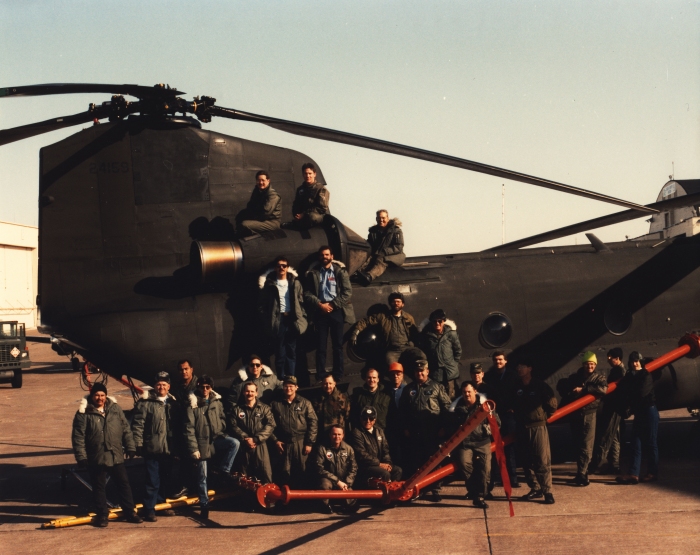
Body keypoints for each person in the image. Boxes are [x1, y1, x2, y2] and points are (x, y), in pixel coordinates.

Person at [71, 383, 143, 527]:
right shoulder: (83, 413)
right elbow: (78, 437)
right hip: (96, 456)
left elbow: (125, 429)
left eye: (102, 395)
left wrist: (130, 446)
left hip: (115, 454)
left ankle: (130, 512)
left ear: (106, 396)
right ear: (92, 396)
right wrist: (81, 457)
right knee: (99, 487)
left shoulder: (115, 409)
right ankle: (103, 515)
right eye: (97, 395)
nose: (100, 398)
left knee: (124, 485)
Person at [184, 375, 240, 519]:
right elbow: (189, 429)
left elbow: (222, 419)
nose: (205, 389)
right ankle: (204, 505)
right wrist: (194, 449)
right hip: (201, 443)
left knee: (234, 443)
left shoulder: (216, 402)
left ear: (211, 388)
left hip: (216, 439)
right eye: (202, 387)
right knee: (202, 476)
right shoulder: (193, 405)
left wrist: (219, 428)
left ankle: (224, 470)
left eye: (207, 387)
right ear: (198, 387)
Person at [399, 354, 452, 502]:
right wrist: (405, 428)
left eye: (422, 371)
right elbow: (402, 411)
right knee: (417, 462)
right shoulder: (408, 389)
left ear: (427, 371)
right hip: (415, 432)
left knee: (433, 461)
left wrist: (444, 427)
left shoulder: (436, 387)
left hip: (433, 432)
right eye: (417, 371)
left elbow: (447, 408)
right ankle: (419, 489)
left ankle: (435, 489)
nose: (420, 373)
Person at [131, 371, 180, 521]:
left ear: (169, 386)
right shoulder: (145, 403)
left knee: (165, 478)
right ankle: (149, 509)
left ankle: (161, 505)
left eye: (164, 384)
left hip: (168, 448)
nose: (161, 387)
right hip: (151, 447)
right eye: (159, 384)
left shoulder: (173, 403)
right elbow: (138, 425)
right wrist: (138, 444)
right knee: (152, 480)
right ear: (154, 386)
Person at [509, 358, 557, 504]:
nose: (519, 369)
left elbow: (552, 404)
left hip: (537, 427)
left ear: (530, 368)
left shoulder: (539, 385)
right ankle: (535, 488)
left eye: (522, 366)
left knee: (542, 460)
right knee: (526, 461)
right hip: (522, 427)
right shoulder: (516, 387)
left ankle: (547, 491)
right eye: (518, 366)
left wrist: (542, 417)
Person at [557, 351, 608, 486]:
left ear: (595, 365)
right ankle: (581, 472)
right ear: (583, 364)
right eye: (587, 364)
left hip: (589, 414)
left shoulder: (599, 378)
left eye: (592, 364)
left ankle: (583, 474)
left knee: (586, 445)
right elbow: (563, 387)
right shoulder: (575, 377)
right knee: (578, 444)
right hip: (576, 414)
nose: (589, 366)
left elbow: (603, 390)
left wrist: (584, 389)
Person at [304, 245, 355, 381]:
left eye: (327, 255)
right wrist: (320, 305)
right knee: (321, 346)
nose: (324, 257)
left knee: (337, 345)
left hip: (336, 311)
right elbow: (307, 293)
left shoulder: (339, 272)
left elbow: (347, 292)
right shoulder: (314, 273)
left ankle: (338, 374)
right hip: (321, 312)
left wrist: (332, 305)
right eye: (322, 255)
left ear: (331, 256)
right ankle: (321, 375)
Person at [451, 381, 500, 508]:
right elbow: (450, 425)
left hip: (482, 442)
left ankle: (480, 495)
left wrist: (485, 429)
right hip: (465, 443)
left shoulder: (485, 406)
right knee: (464, 463)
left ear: (475, 392)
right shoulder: (457, 408)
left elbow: (497, 423)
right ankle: (475, 490)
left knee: (485, 469)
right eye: (464, 392)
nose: (467, 394)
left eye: (469, 391)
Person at [258, 255, 308, 379]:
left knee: (291, 351)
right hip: (278, 320)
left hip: (292, 319)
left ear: (287, 268)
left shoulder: (295, 283)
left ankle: (291, 378)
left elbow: (301, 301)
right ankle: (281, 379)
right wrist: (267, 319)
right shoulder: (269, 285)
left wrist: (303, 316)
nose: (281, 268)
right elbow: (262, 305)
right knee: (280, 352)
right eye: (279, 266)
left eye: (284, 266)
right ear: (275, 268)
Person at [616, 351, 659, 485]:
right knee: (636, 442)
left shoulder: (646, 375)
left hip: (649, 411)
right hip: (640, 412)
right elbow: (623, 388)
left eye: (637, 361)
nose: (635, 364)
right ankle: (633, 474)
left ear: (641, 362)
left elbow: (641, 393)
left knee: (651, 442)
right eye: (632, 361)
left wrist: (628, 395)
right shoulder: (630, 375)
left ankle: (652, 473)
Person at [269, 376, 318, 487]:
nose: (288, 388)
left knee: (302, 471)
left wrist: (309, 443)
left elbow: (313, 423)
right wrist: (275, 440)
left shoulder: (305, 403)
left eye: (291, 386)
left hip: (300, 442)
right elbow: (268, 424)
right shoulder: (275, 404)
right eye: (286, 386)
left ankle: (302, 500)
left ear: (296, 387)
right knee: (284, 472)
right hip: (283, 443)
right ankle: (286, 500)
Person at [351, 292, 419, 368]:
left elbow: (415, 334)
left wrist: (412, 344)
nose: (396, 303)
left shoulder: (408, 318)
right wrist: (355, 332)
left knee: (420, 358)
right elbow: (366, 321)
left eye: (398, 302)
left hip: (407, 348)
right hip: (392, 350)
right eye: (394, 301)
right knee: (393, 368)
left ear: (403, 304)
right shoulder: (383, 317)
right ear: (390, 303)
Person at [228, 382, 276, 485]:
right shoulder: (236, 409)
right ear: (243, 392)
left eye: (252, 391)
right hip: (244, 446)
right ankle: (247, 500)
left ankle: (268, 500)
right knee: (245, 478)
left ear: (256, 393)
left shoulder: (264, 408)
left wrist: (256, 439)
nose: (250, 393)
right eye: (247, 391)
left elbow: (271, 425)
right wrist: (245, 438)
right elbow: (233, 426)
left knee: (265, 475)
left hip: (260, 445)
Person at [483, 350, 519, 487]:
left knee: (509, 447)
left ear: (505, 361)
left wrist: (514, 408)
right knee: (495, 446)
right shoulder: (489, 377)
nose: (498, 362)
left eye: (500, 360)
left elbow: (517, 393)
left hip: (508, 415)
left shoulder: (513, 376)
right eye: (495, 360)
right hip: (495, 416)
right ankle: (497, 477)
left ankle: (513, 478)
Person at [592, 347, 626, 474]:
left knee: (608, 436)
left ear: (617, 358)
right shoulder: (619, 370)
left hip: (614, 408)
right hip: (616, 408)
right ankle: (614, 464)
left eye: (610, 358)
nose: (609, 361)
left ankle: (599, 464)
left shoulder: (619, 372)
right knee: (614, 437)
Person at [350, 406, 402, 487]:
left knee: (397, 470)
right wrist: (379, 464)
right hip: (365, 466)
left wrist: (387, 463)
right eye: (365, 418)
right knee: (385, 474)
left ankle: (393, 495)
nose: (368, 421)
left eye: (371, 418)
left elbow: (385, 450)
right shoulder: (356, 433)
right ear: (361, 419)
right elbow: (362, 454)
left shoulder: (379, 431)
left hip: (379, 464)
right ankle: (382, 497)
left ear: (375, 420)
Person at [313, 425, 358, 514]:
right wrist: (337, 481)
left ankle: (346, 505)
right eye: (334, 434)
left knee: (352, 506)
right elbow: (319, 468)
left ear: (343, 435)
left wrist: (347, 483)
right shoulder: (322, 448)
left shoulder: (349, 449)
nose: (337, 437)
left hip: (344, 481)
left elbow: (354, 468)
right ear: (330, 435)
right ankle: (324, 505)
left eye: (339, 434)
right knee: (324, 484)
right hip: (329, 480)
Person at [353, 209, 405, 285]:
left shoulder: (396, 231)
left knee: (381, 260)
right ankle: (355, 273)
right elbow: (369, 244)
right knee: (366, 258)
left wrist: (384, 252)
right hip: (377, 254)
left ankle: (369, 276)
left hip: (394, 256)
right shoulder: (373, 232)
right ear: (376, 219)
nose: (381, 220)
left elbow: (398, 247)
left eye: (383, 218)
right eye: (379, 218)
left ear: (387, 218)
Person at [419, 309, 463, 399]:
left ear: (444, 322)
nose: (437, 323)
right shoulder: (427, 336)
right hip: (435, 374)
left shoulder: (451, 334)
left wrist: (453, 363)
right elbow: (423, 351)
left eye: (440, 321)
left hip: (449, 373)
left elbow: (458, 351)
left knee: (451, 396)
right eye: (434, 321)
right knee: (437, 396)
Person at [235, 170, 282, 236]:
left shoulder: (272, 195)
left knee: (245, 224)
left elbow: (265, 213)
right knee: (240, 215)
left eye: (263, 180)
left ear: (268, 181)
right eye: (258, 180)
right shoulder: (257, 191)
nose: (260, 182)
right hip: (261, 218)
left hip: (271, 222)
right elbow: (250, 206)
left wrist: (252, 219)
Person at [289, 163, 330, 229]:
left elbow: (321, 208)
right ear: (303, 175)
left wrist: (304, 214)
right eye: (305, 173)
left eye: (310, 173)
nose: (307, 176)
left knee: (312, 217)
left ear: (314, 174)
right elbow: (296, 204)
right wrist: (297, 214)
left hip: (316, 216)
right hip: (303, 216)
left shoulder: (321, 189)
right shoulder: (300, 190)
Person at [384, 362, 408, 468]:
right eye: (393, 374)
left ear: (402, 375)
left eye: (398, 374)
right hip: (390, 428)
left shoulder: (407, 390)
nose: (395, 376)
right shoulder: (385, 391)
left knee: (405, 452)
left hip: (404, 428)